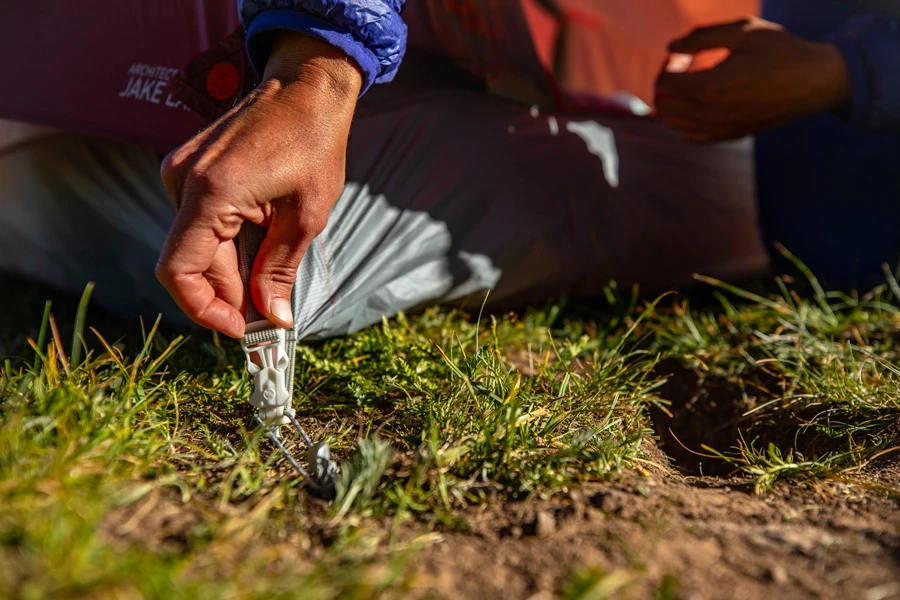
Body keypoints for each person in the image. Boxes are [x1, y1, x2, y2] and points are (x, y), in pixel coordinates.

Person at [0, 2, 895, 341]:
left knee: (278, 264)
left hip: (786, 176)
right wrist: (321, 62)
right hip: (745, 102)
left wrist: (845, 74)